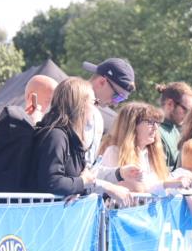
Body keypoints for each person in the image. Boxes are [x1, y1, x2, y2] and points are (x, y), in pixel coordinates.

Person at [28, 77, 131, 205]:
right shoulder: (56, 136)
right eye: (94, 103)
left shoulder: (68, 136)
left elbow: (69, 179)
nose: (95, 109)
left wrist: (76, 188)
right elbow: (51, 181)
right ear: (80, 104)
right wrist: (81, 182)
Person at [0, 74, 57, 193]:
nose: (55, 107)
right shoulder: (11, 123)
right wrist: (36, 126)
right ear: (32, 98)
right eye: (51, 101)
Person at [99, 102, 188, 194]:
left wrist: (177, 181)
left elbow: (157, 186)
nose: (156, 127)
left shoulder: (151, 155)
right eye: (150, 122)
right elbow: (135, 190)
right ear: (132, 125)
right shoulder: (114, 152)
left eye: (156, 122)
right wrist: (167, 184)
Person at [81, 57, 136, 172]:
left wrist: (118, 174)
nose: (116, 104)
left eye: (121, 99)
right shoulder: (67, 105)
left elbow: (89, 168)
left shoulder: (98, 117)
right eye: (117, 96)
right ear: (102, 82)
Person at [157, 82, 192, 171]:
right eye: (186, 110)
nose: (188, 116)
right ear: (170, 104)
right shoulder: (154, 131)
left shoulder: (175, 129)